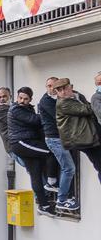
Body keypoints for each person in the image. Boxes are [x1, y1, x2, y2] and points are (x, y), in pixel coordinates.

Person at [8, 87, 56, 217]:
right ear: (17, 97)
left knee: (35, 173)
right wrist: (48, 113)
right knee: (51, 151)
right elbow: (34, 120)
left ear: (30, 99)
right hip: (22, 143)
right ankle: (52, 181)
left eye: (26, 99)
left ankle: (43, 205)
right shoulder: (16, 109)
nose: (22, 101)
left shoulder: (28, 108)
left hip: (28, 143)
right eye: (20, 98)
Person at [38, 77, 76, 210]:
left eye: (54, 86)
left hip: (63, 138)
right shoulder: (46, 101)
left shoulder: (61, 98)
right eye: (48, 86)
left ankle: (65, 194)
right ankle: (62, 200)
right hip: (54, 139)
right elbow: (60, 116)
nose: (51, 88)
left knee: (67, 167)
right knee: (69, 168)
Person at [54, 78, 101, 186]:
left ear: (71, 87)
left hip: (90, 137)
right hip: (83, 140)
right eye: (59, 90)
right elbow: (88, 109)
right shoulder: (63, 103)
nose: (62, 92)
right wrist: (96, 101)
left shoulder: (77, 97)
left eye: (64, 88)